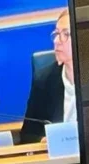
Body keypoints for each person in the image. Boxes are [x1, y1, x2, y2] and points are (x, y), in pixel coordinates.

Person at [20, 9, 77, 144]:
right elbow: (28, 134)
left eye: (66, 34)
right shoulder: (45, 80)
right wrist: (42, 141)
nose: (57, 41)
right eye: (56, 34)